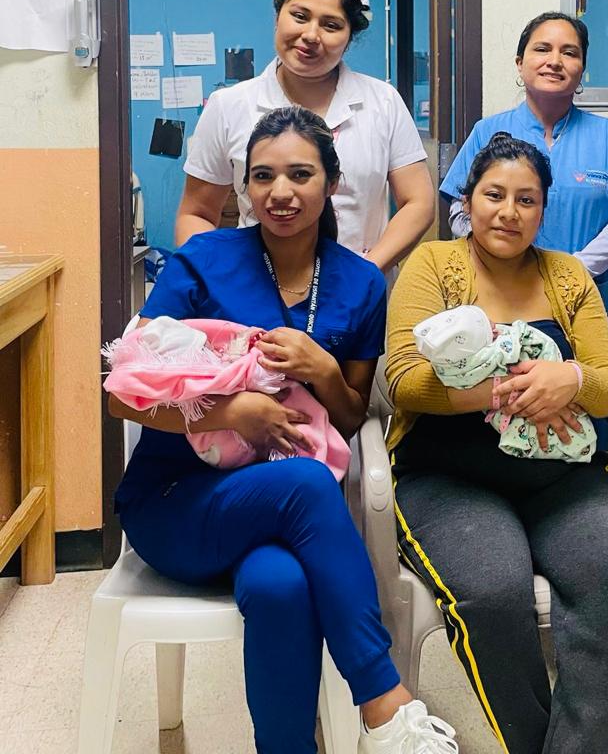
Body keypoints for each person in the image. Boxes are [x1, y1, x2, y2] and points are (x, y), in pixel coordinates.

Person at [110, 107, 457, 754]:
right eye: (263, 176)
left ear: (332, 183)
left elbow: (350, 417)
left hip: (285, 521)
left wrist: (324, 371)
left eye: (300, 174)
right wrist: (229, 413)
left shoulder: (360, 282)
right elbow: (122, 399)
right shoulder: (203, 261)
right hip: (177, 503)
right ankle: (384, 702)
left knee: (281, 587)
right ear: (245, 187)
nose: (280, 192)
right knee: (304, 482)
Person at [387, 132, 608, 754]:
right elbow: (404, 381)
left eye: (526, 200)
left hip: (561, 477)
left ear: (543, 209)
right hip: (449, 477)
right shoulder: (434, 265)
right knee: (494, 592)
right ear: (467, 202)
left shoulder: (568, 275)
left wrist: (571, 378)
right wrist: (512, 390)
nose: (509, 212)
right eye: (494, 195)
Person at [175, 0, 434, 271]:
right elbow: (196, 213)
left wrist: (365, 274)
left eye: (331, 25)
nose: (311, 35)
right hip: (256, 286)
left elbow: (418, 202)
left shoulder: (383, 102)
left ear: (349, 37)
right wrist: (222, 283)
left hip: (360, 282)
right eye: (299, 16)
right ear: (278, 17)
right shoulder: (228, 106)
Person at [440, 12, 608, 356]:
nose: (555, 61)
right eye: (542, 49)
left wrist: (575, 270)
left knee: (592, 387)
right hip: (503, 303)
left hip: (591, 301)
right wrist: (512, 266)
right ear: (520, 63)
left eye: (569, 52)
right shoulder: (487, 132)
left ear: (582, 68)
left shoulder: (607, 134)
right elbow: (460, 212)